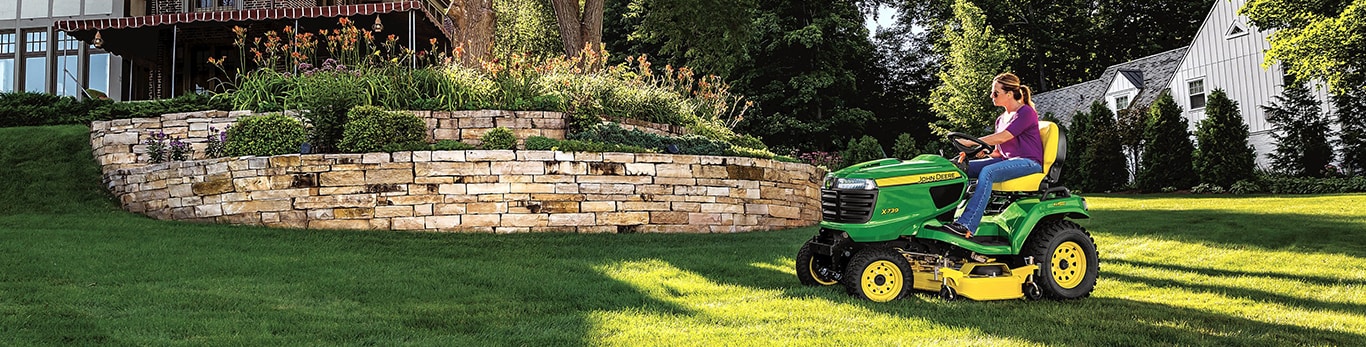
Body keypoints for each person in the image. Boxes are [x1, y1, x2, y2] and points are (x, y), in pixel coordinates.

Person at [941, 73, 1043, 238]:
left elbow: (1003, 137)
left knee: (988, 172)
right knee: (958, 169)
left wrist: (971, 142)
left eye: (995, 93)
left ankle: (966, 225)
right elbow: (998, 151)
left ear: (1009, 94)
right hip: (1006, 160)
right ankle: (943, 218)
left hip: (1029, 162)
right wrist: (978, 152)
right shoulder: (1000, 119)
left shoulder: (1025, 113)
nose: (991, 96)